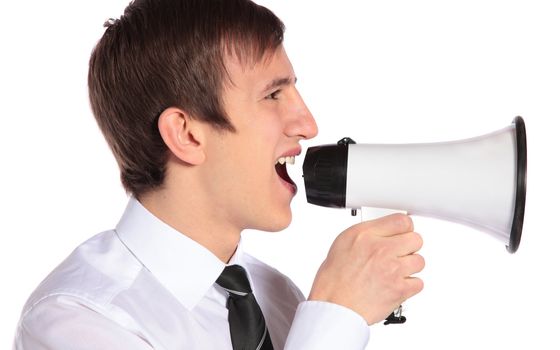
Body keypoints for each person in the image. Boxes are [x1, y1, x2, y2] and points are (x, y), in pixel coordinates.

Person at [13, 0, 424, 348]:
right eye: (273, 94)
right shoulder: (75, 320)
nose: (307, 124)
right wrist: (336, 317)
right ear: (187, 134)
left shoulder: (279, 297)